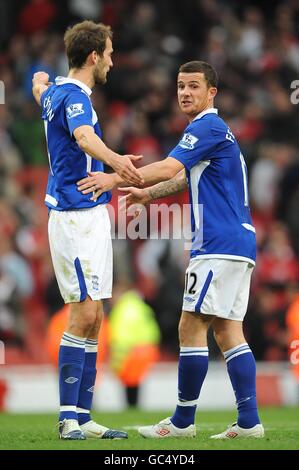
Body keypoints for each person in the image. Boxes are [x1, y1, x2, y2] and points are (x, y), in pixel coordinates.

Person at [77, 60, 264, 439]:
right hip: (239, 242)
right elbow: (182, 177)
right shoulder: (215, 133)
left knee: (189, 325)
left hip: (217, 243)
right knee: (228, 332)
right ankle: (249, 422)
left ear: (212, 92)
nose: (184, 92)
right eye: (180, 86)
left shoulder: (207, 125)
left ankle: (182, 422)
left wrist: (112, 177)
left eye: (194, 86)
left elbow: (166, 167)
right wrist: (148, 194)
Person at [32, 20, 144, 440]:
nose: (113, 62)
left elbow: (41, 92)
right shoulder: (76, 97)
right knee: (82, 314)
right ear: (94, 56)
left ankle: (84, 416)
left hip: (91, 216)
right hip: (75, 217)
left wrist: (38, 82)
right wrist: (119, 163)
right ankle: (67, 418)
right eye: (110, 54)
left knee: (96, 316)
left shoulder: (55, 93)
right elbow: (82, 137)